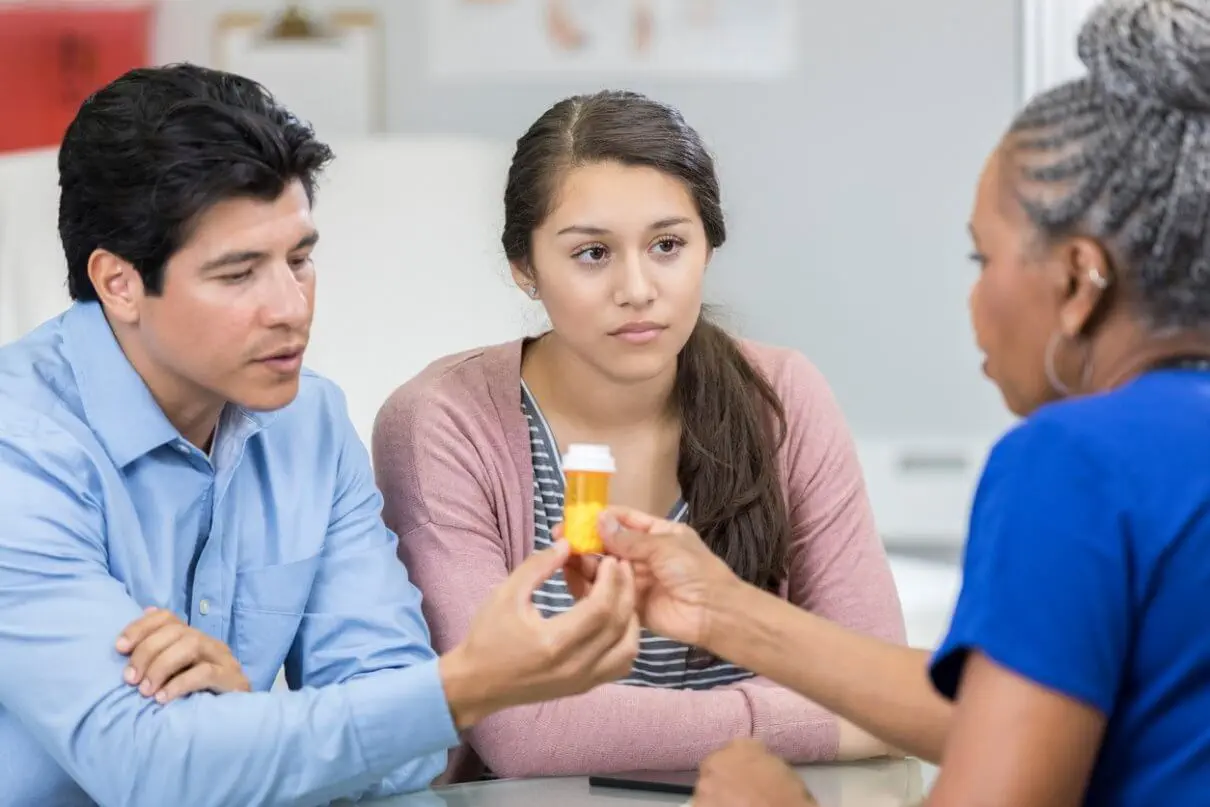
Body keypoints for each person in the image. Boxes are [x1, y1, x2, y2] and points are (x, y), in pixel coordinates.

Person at [574, 1, 1210, 805]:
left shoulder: (1075, 460)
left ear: (1080, 280)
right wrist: (723, 608)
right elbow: (1016, 705)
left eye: (984, 257)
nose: (974, 298)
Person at [0, 64, 642, 807]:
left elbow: (410, 758)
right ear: (119, 283)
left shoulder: (309, 422)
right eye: (239, 273)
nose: (290, 307)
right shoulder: (20, 449)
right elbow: (148, 769)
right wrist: (467, 684)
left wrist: (239, 721)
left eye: (300, 259)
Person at [371, 89, 906, 782]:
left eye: (667, 245)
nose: (638, 287)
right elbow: (520, 731)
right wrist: (814, 718)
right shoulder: (443, 422)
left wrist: (861, 708)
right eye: (592, 253)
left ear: (709, 245)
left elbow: (883, 686)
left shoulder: (784, 398)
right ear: (524, 268)